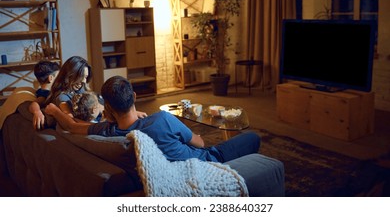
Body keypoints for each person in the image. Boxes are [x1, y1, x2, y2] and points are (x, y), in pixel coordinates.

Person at [45, 75, 261, 163]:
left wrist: (54, 110)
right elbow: (200, 143)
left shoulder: (107, 132)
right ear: (135, 97)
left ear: (108, 107)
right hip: (206, 160)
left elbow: (72, 126)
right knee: (252, 138)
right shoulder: (162, 119)